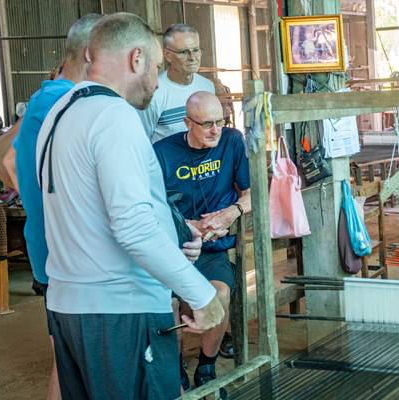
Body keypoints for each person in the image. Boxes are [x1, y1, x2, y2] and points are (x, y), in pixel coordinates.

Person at [35, 13, 224, 399]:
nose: (156, 82)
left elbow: (86, 207)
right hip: (122, 312)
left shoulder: (59, 115)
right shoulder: (115, 116)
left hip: (70, 307)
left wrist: (172, 232)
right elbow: (132, 227)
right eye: (155, 68)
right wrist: (201, 294)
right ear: (136, 59)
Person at [2, 14, 102, 400]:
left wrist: (32, 194)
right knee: (73, 365)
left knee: (69, 362)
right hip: (68, 257)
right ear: (93, 54)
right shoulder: (65, 101)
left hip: (56, 252)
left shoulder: (47, 99)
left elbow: (4, 159)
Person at [153, 91, 250, 391]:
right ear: (187, 123)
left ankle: (206, 366)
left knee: (219, 294)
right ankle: (174, 365)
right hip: (173, 250)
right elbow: (148, 207)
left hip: (211, 251)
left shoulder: (232, 141)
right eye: (207, 123)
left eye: (220, 122)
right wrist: (184, 225)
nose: (215, 130)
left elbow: (255, 194)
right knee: (166, 304)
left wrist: (229, 214)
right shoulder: (161, 152)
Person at [139, 23, 214, 143]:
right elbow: (142, 140)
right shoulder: (153, 92)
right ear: (167, 55)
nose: (192, 57)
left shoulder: (207, 87)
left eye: (195, 50)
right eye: (184, 52)